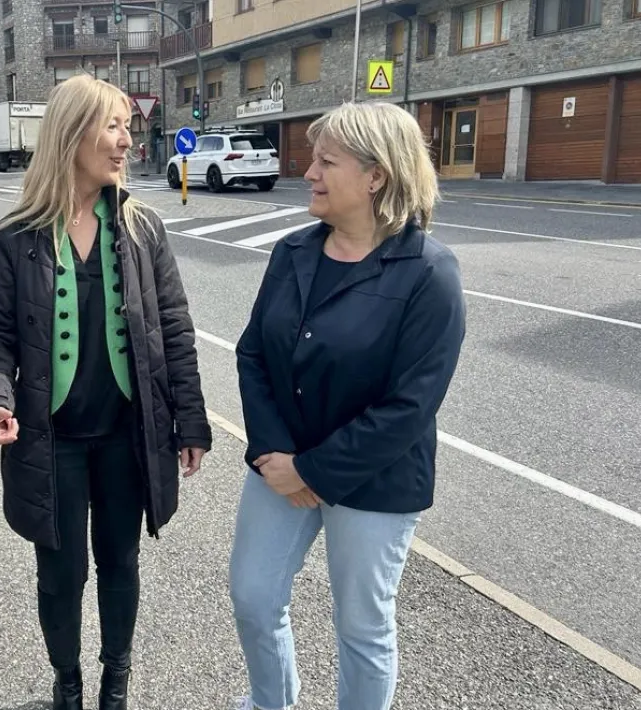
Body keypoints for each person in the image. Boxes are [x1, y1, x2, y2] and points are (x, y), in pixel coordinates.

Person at [0, 73, 212, 710]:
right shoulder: (14, 239)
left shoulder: (143, 230)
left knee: (120, 562)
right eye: (114, 126)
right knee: (60, 573)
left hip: (127, 436)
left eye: (129, 126)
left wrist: (190, 422)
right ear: (72, 134)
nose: (127, 140)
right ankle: (68, 681)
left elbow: (175, 332)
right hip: (51, 441)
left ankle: (115, 680)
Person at [228, 101, 466, 710]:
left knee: (361, 627)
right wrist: (274, 451)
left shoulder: (428, 273)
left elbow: (410, 405)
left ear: (376, 176)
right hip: (282, 462)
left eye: (326, 161)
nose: (308, 172)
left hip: (375, 479)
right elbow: (254, 354)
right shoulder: (292, 253)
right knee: (254, 597)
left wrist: (313, 470)